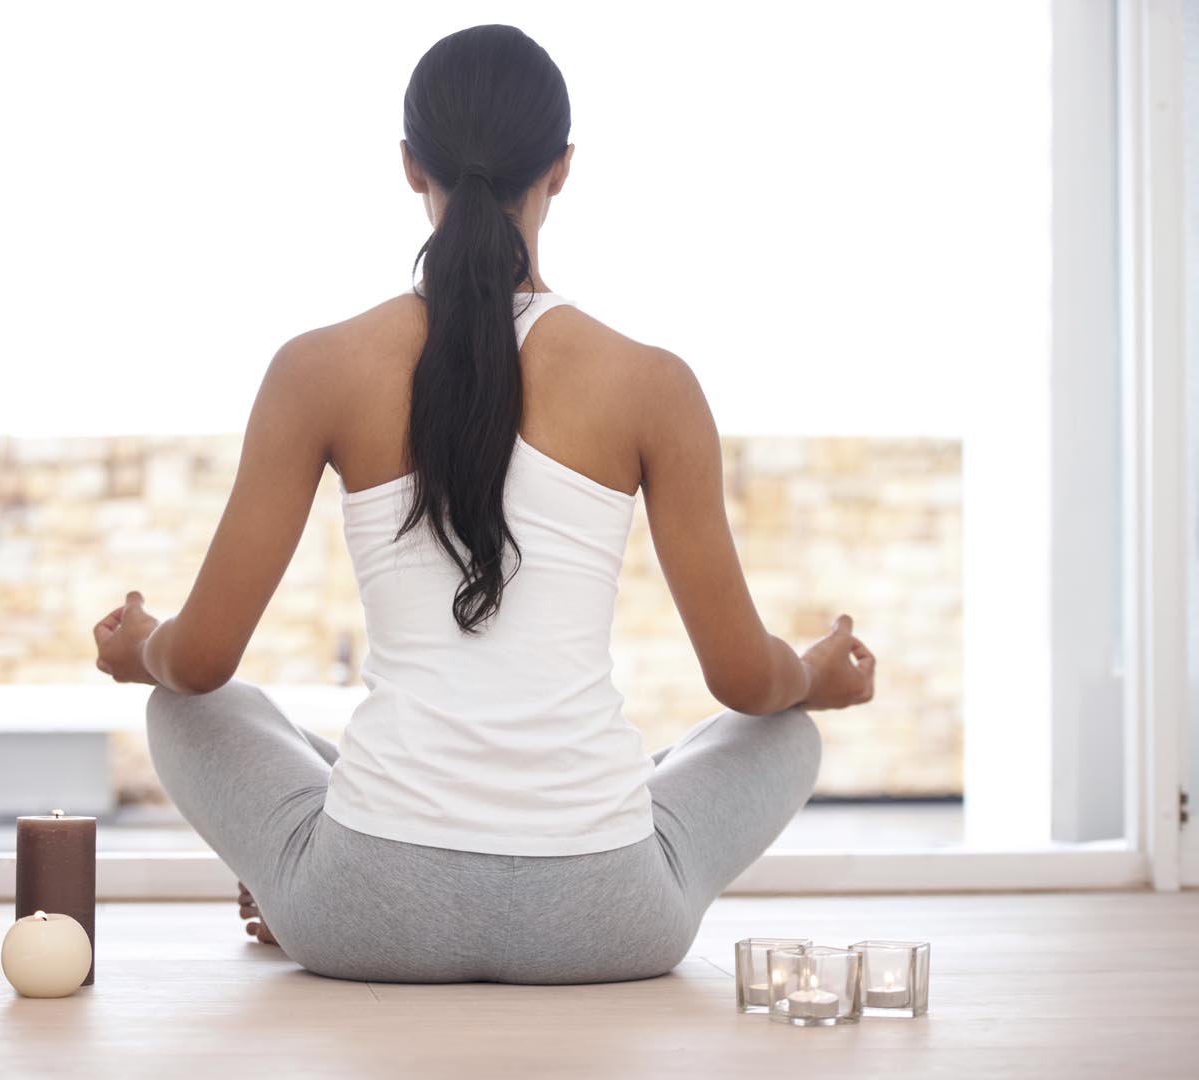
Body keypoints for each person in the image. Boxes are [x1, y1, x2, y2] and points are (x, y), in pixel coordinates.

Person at [93, 23, 875, 984]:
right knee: (779, 733)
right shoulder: (652, 385)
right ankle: (364, 854)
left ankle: (298, 880)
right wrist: (813, 674)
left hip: (361, 916)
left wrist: (142, 649)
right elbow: (745, 683)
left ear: (408, 165)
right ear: (563, 167)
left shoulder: (318, 370)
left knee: (188, 709)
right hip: (609, 922)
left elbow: (202, 662)